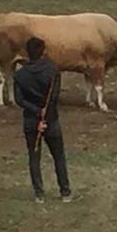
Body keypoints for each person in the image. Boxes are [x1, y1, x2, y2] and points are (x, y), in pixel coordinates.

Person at [13, 37, 72, 204]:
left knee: (34, 156)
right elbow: (53, 98)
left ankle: (39, 194)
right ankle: (65, 191)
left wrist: (36, 112)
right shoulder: (53, 71)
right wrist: (44, 114)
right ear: (43, 52)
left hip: (31, 122)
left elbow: (19, 99)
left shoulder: (20, 75)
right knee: (58, 156)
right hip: (51, 120)